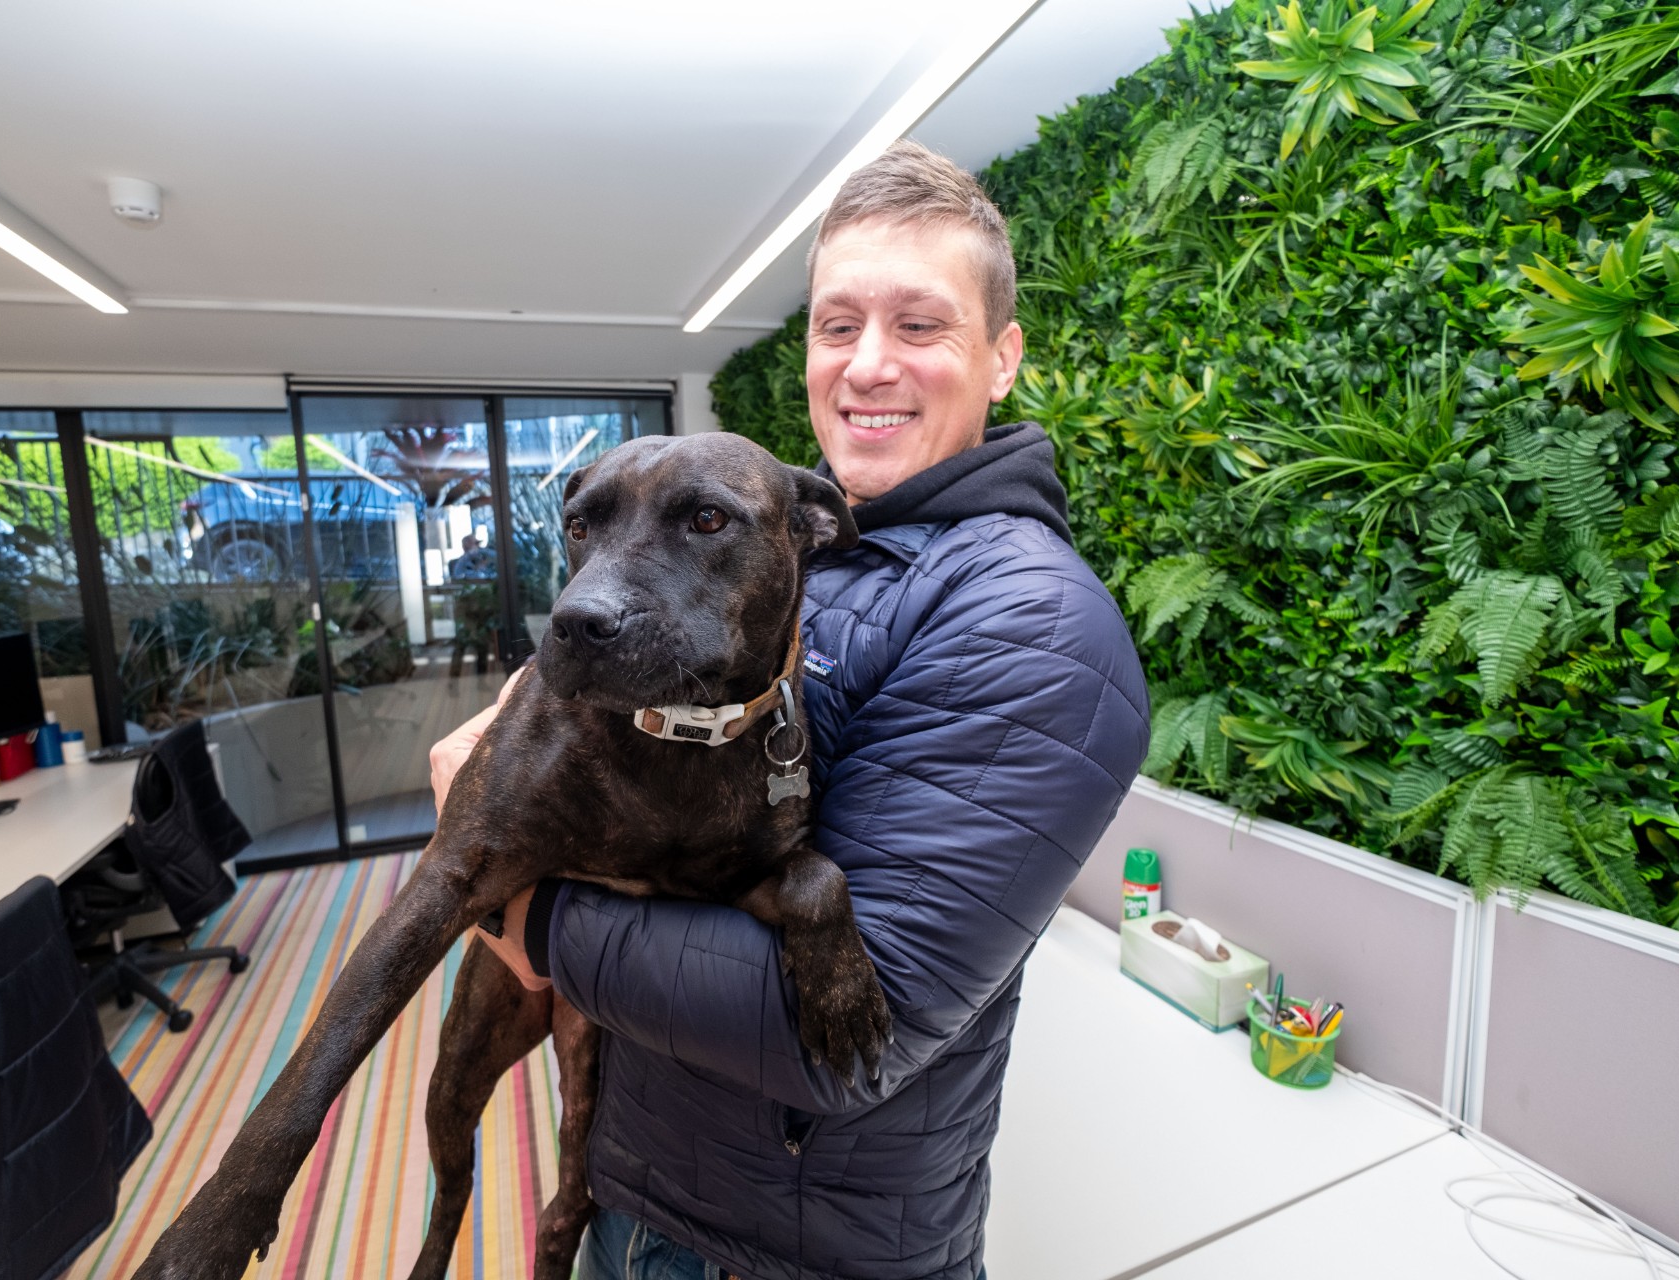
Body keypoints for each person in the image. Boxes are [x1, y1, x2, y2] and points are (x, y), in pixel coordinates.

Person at [430, 140, 1148, 1280]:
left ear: (1002, 356)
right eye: (836, 324)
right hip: (649, 1177)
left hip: (783, 1250)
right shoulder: (799, 553)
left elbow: (856, 1038)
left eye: (921, 326)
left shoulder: (1030, 619)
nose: (868, 364)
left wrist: (527, 917)